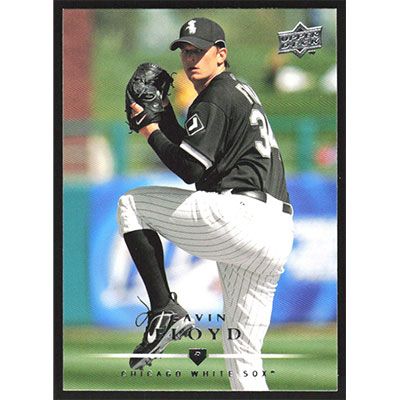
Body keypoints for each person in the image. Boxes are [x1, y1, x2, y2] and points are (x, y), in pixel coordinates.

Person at [117, 17, 294, 391]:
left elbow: (190, 169)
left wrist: (150, 130)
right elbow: (202, 165)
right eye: (185, 51)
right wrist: (165, 116)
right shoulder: (237, 91)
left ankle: (164, 308)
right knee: (242, 358)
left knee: (131, 205)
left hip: (242, 217)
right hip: (275, 232)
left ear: (221, 54)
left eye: (199, 50)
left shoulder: (214, 95)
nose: (190, 58)